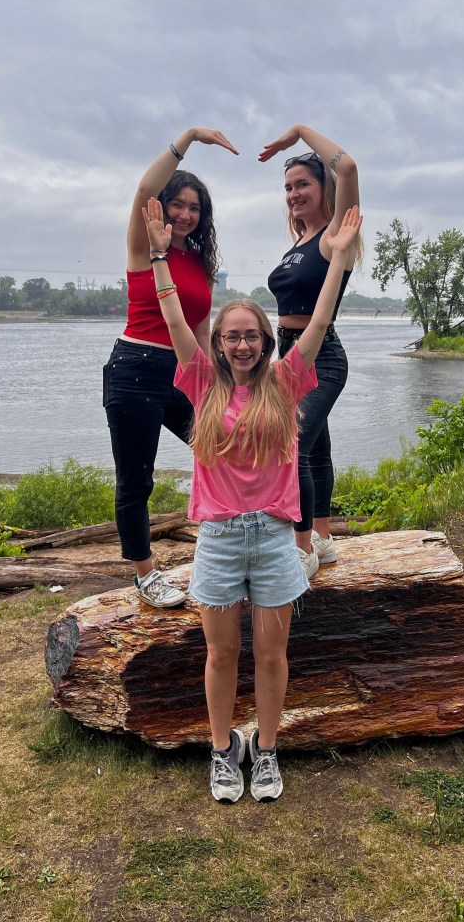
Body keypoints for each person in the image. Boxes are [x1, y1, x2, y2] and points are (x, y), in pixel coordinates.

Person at [142, 194, 362, 803]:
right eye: (232, 337)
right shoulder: (200, 381)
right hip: (217, 539)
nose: (242, 345)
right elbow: (174, 322)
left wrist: (338, 261)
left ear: (266, 341)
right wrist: (159, 257)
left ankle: (265, 750)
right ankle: (223, 751)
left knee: (270, 656)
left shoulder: (287, 382)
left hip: (272, 539)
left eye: (252, 336)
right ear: (219, 344)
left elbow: (318, 325)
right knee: (220, 656)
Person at [103, 128, 238, 609]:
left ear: (203, 216)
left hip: (185, 375)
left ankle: (232, 545)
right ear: (162, 206)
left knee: (224, 451)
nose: (184, 214)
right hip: (135, 368)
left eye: (193, 208)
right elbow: (144, 188)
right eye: (177, 204)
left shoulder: (201, 262)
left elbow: (200, 328)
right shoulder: (145, 244)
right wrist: (190, 138)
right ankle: (145, 574)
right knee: (136, 479)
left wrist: (217, 384)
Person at [262, 125, 361, 580]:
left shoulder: (335, 234)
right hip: (287, 355)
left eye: (302, 184)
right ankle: (322, 536)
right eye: (288, 187)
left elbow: (348, 167)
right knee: (316, 449)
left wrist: (300, 131)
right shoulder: (299, 242)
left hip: (322, 356)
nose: (293, 194)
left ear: (325, 189)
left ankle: (302, 548)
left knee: (293, 445)